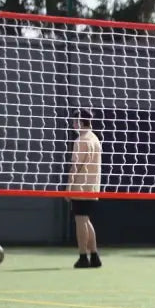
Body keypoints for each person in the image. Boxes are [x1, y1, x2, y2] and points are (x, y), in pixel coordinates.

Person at [66, 112, 103, 269]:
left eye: (75, 121)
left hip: (80, 187)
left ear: (80, 122)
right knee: (86, 220)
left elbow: (75, 165)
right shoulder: (95, 138)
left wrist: (68, 186)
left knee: (80, 221)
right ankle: (94, 256)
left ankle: (83, 257)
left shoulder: (81, 140)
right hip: (93, 187)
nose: (73, 124)